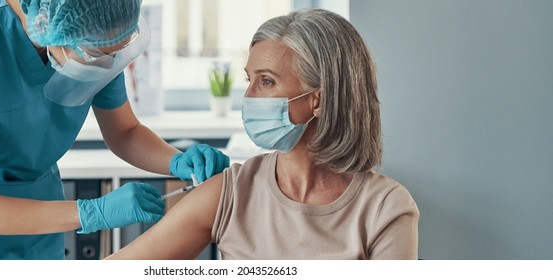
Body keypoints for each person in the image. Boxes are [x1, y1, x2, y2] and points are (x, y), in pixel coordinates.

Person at [0, 0, 229, 260]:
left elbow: (124, 132)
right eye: (100, 54)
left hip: (38, 224)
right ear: (46, 23)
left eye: (117, 51)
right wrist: (94, 212)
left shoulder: (97, 35)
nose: (109, 64)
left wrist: (177, 161)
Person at [107, 8, 419, 260]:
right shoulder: (231, 192)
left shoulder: (385, 207)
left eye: (266, 81)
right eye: (249, 79)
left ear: (319, 99)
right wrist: (88, 214)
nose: (249, 96)